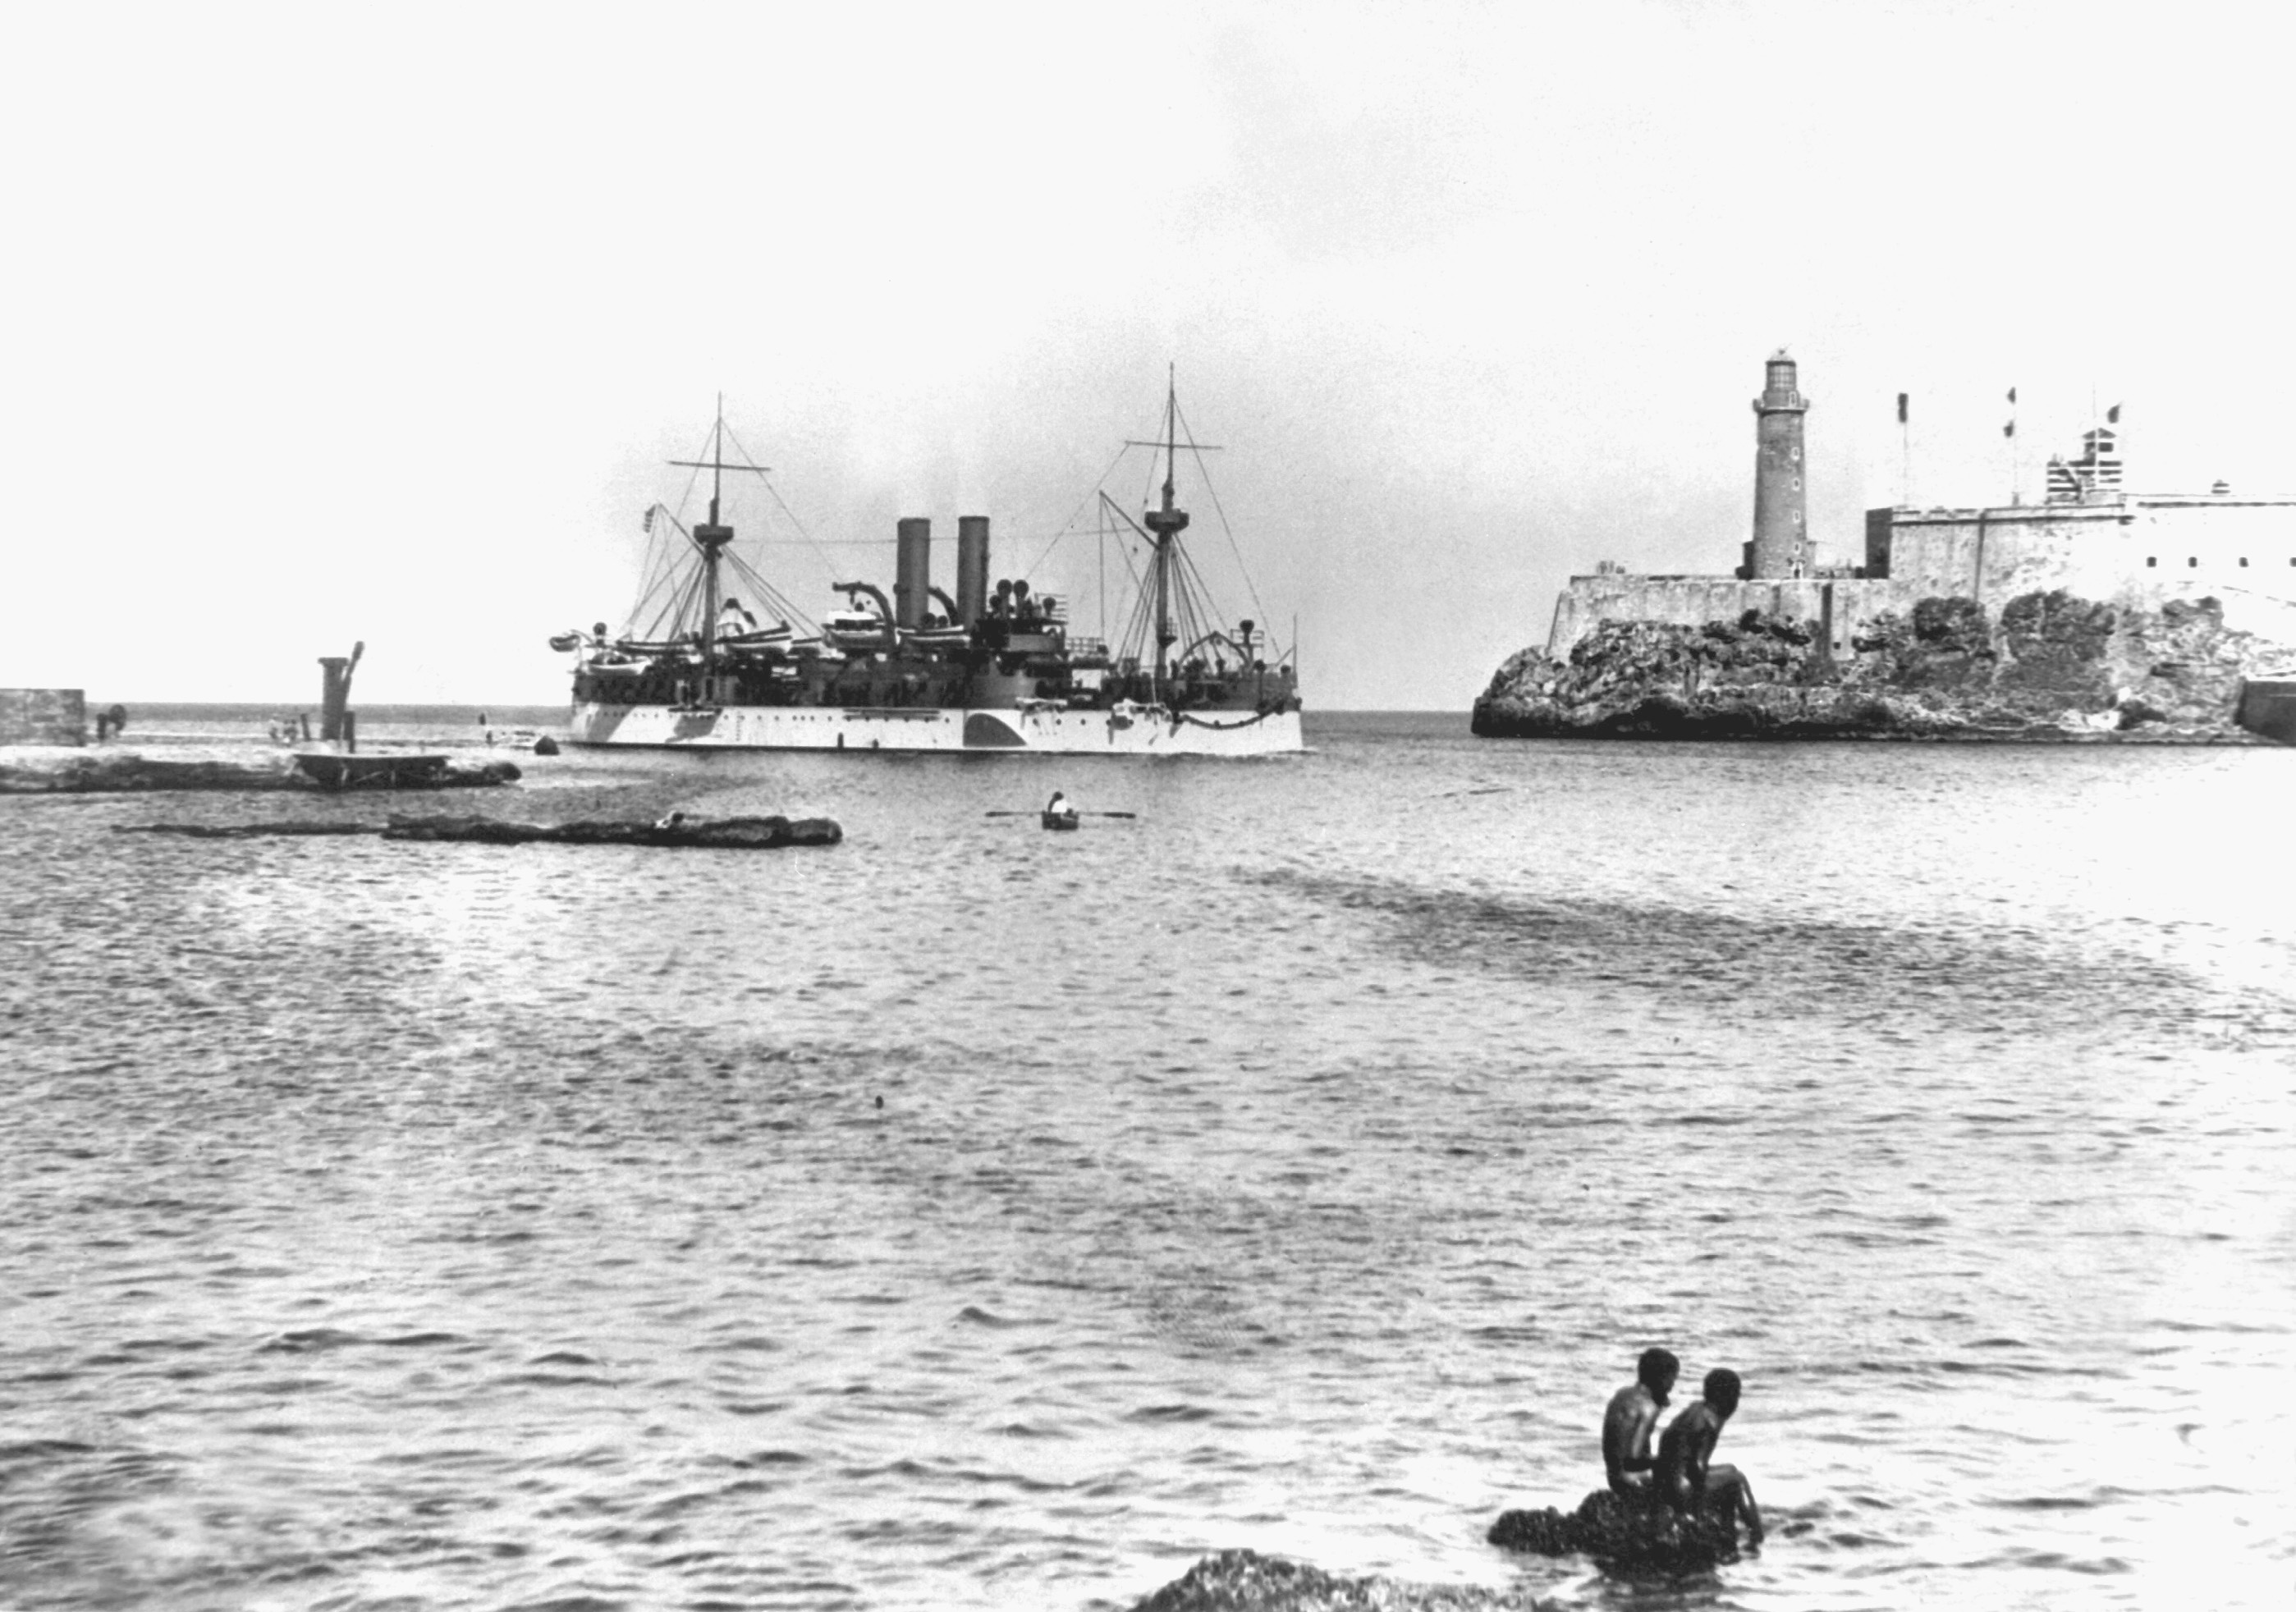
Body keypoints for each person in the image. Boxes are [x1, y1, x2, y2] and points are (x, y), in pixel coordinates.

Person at [1655, 1367, 1764, 1542]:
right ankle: (1756, 1534)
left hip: (1664, 1482)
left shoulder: (1696, 1410)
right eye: (1735, 1396)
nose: (1736, 1404)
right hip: (1679, 1490)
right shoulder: (1709, 1420)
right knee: (1737, 1480)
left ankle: (1728, 1529)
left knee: (1730, 1470)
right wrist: (1697, 1513)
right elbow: (1697, 1468)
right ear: (1723, 1397)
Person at [1602, 1347, 1679, 1500]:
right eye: (1672, 1379)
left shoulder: (1622, 1394)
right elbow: (1633, 1459)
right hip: (1632, 1481)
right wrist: (1666, 1460)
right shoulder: (1649, 1406)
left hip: (1613, 1478)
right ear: (1661, 1378)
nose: (1672, 1386)